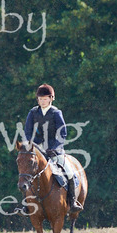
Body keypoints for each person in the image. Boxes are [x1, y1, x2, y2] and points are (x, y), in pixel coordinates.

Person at [24, 83, 82, 213]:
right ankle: (26, 204)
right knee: (26, 172)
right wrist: (29, 144)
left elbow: (62, 133)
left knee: (69, 172)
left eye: (45, 99)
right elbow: (27, 131)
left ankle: (72, 201)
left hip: (55, 149)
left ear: (51, 99)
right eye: (40, 99)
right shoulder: (33, 112)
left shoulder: (56, 113)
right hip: (38, 148)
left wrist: (55, 148)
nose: (42, 101)